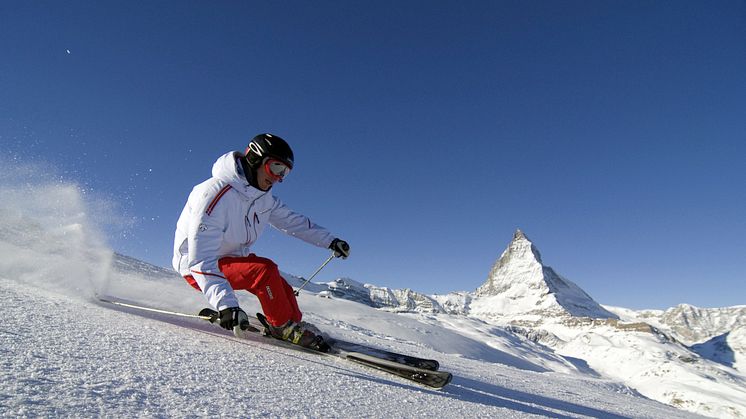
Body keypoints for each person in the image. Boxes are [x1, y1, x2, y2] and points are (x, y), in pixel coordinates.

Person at [172, 133, 350, 351]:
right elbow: (200, 259)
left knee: (279, 282)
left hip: (230, 259)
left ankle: (291, 321)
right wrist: (226, 305)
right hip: (197, 267)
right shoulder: (214, 194)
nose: (278, 177)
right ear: (255, 159)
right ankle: (282, 326)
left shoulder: (262, 198)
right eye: (276, 168)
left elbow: (294, 222)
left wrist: (330, 241)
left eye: (284, 172)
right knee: (263, 271)